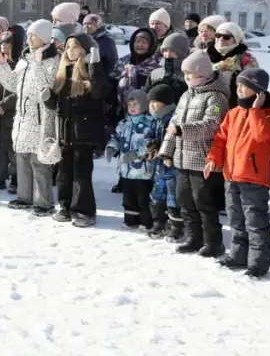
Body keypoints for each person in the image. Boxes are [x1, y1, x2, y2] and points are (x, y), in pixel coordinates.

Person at [157, 50, 230, 257]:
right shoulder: (186, 95)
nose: (187, 77)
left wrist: (182, 130)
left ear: (203, 72)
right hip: (182, 158)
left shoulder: (216, 97)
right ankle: (193, 237)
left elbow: (212, 125)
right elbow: (173, 124)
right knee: (185, 200)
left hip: (203, 159)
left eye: (190, 73)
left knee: (204, 202)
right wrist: (167, 151)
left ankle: (213, 242)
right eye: (185, 73)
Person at [206, 68, 270, 278]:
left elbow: (261, 136)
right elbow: (220, 139)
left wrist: (256, 110)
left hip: (254, 179)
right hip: (231, 176)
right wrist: (213, 159)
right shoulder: (233, 113)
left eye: (244, 86)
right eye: (238, 85)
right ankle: (238, 254)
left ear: (258, 91)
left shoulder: (269, 115)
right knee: (236, 219)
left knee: (255, 222)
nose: (239, 89)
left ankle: (258, 263)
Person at [0, 20, 59, 214]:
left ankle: (44, 202)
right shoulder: (25, 58)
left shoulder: (52, 59)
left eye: (33, 35)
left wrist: (37, 64)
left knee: (39, 161)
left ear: (43, 38)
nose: (29, 38)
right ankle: (24, 197)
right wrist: (2, 66)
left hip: (40, 118)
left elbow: (47, 87)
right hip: (23, 117)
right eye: (28, 34)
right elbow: (13, 84)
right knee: (22, 159)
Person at [45, 33, 110, 228]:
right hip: (65, 132)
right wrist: (47, 98)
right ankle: (65, 206)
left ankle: (84, 211)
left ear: (84, 49)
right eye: (68, 47)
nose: (70, 51)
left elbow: (100, 92)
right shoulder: (63, 71)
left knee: (81, 174)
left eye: (75, 47)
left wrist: (95, 65)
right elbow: (56, 104)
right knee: (64, 174)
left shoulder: (90, 70)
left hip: (84, 132)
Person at [106, 90, 157, 230]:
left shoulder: (150, 123)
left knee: (143, 198)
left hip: (143, 170)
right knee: (128, 198)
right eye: (129, 104)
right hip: (126, 170)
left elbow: (151, 144)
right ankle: (131, 220)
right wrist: (111, 148)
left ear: (144, 104)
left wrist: (137, 154)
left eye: (136, 104)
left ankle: (146, 221)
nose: (132, 107)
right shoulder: (124, 123)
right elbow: (116, 138)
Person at [0, 29, 22, 191]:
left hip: (12, 114)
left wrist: (4, 105)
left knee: (13, 150)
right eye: (2, 43)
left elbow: (20, 90)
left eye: (8, 43)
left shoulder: (20, 66)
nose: (4, 46)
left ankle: (16, 179)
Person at [146, 84, 180, 239]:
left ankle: (176, 226)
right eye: (150, 102)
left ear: (165, 102)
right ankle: (158, 222)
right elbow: (149, 134)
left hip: (172, 166)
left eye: (155, 102)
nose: (151, 105)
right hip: (159, 166)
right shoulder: (156, 119)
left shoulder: (174, 119)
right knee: (157, 193)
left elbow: (177, 140)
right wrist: (150, 144)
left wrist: (169, 156)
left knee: (173, 196)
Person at [206, 22, 255, 106]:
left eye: (226, 37)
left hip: (233, 106)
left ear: (236, 39)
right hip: (208, 104)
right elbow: (195, 77)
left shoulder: (245, 58)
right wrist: (218, 67)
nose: (221, 39)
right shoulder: (204, 54)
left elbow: (253, 84)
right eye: (218, 35)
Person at [144, 32, 190, 104]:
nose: (168, 54)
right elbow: (146, 95)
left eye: (172, 51)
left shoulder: (187, 74)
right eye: (165, 50)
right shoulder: (154, 73)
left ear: (182, 54)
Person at [82, 14, 119, 80]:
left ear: (97, 25)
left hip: (101, 79)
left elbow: (113, 63)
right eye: (84, 24)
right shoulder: (82, 39)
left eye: (89, 24)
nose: (86, 26)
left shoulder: (108, 42)